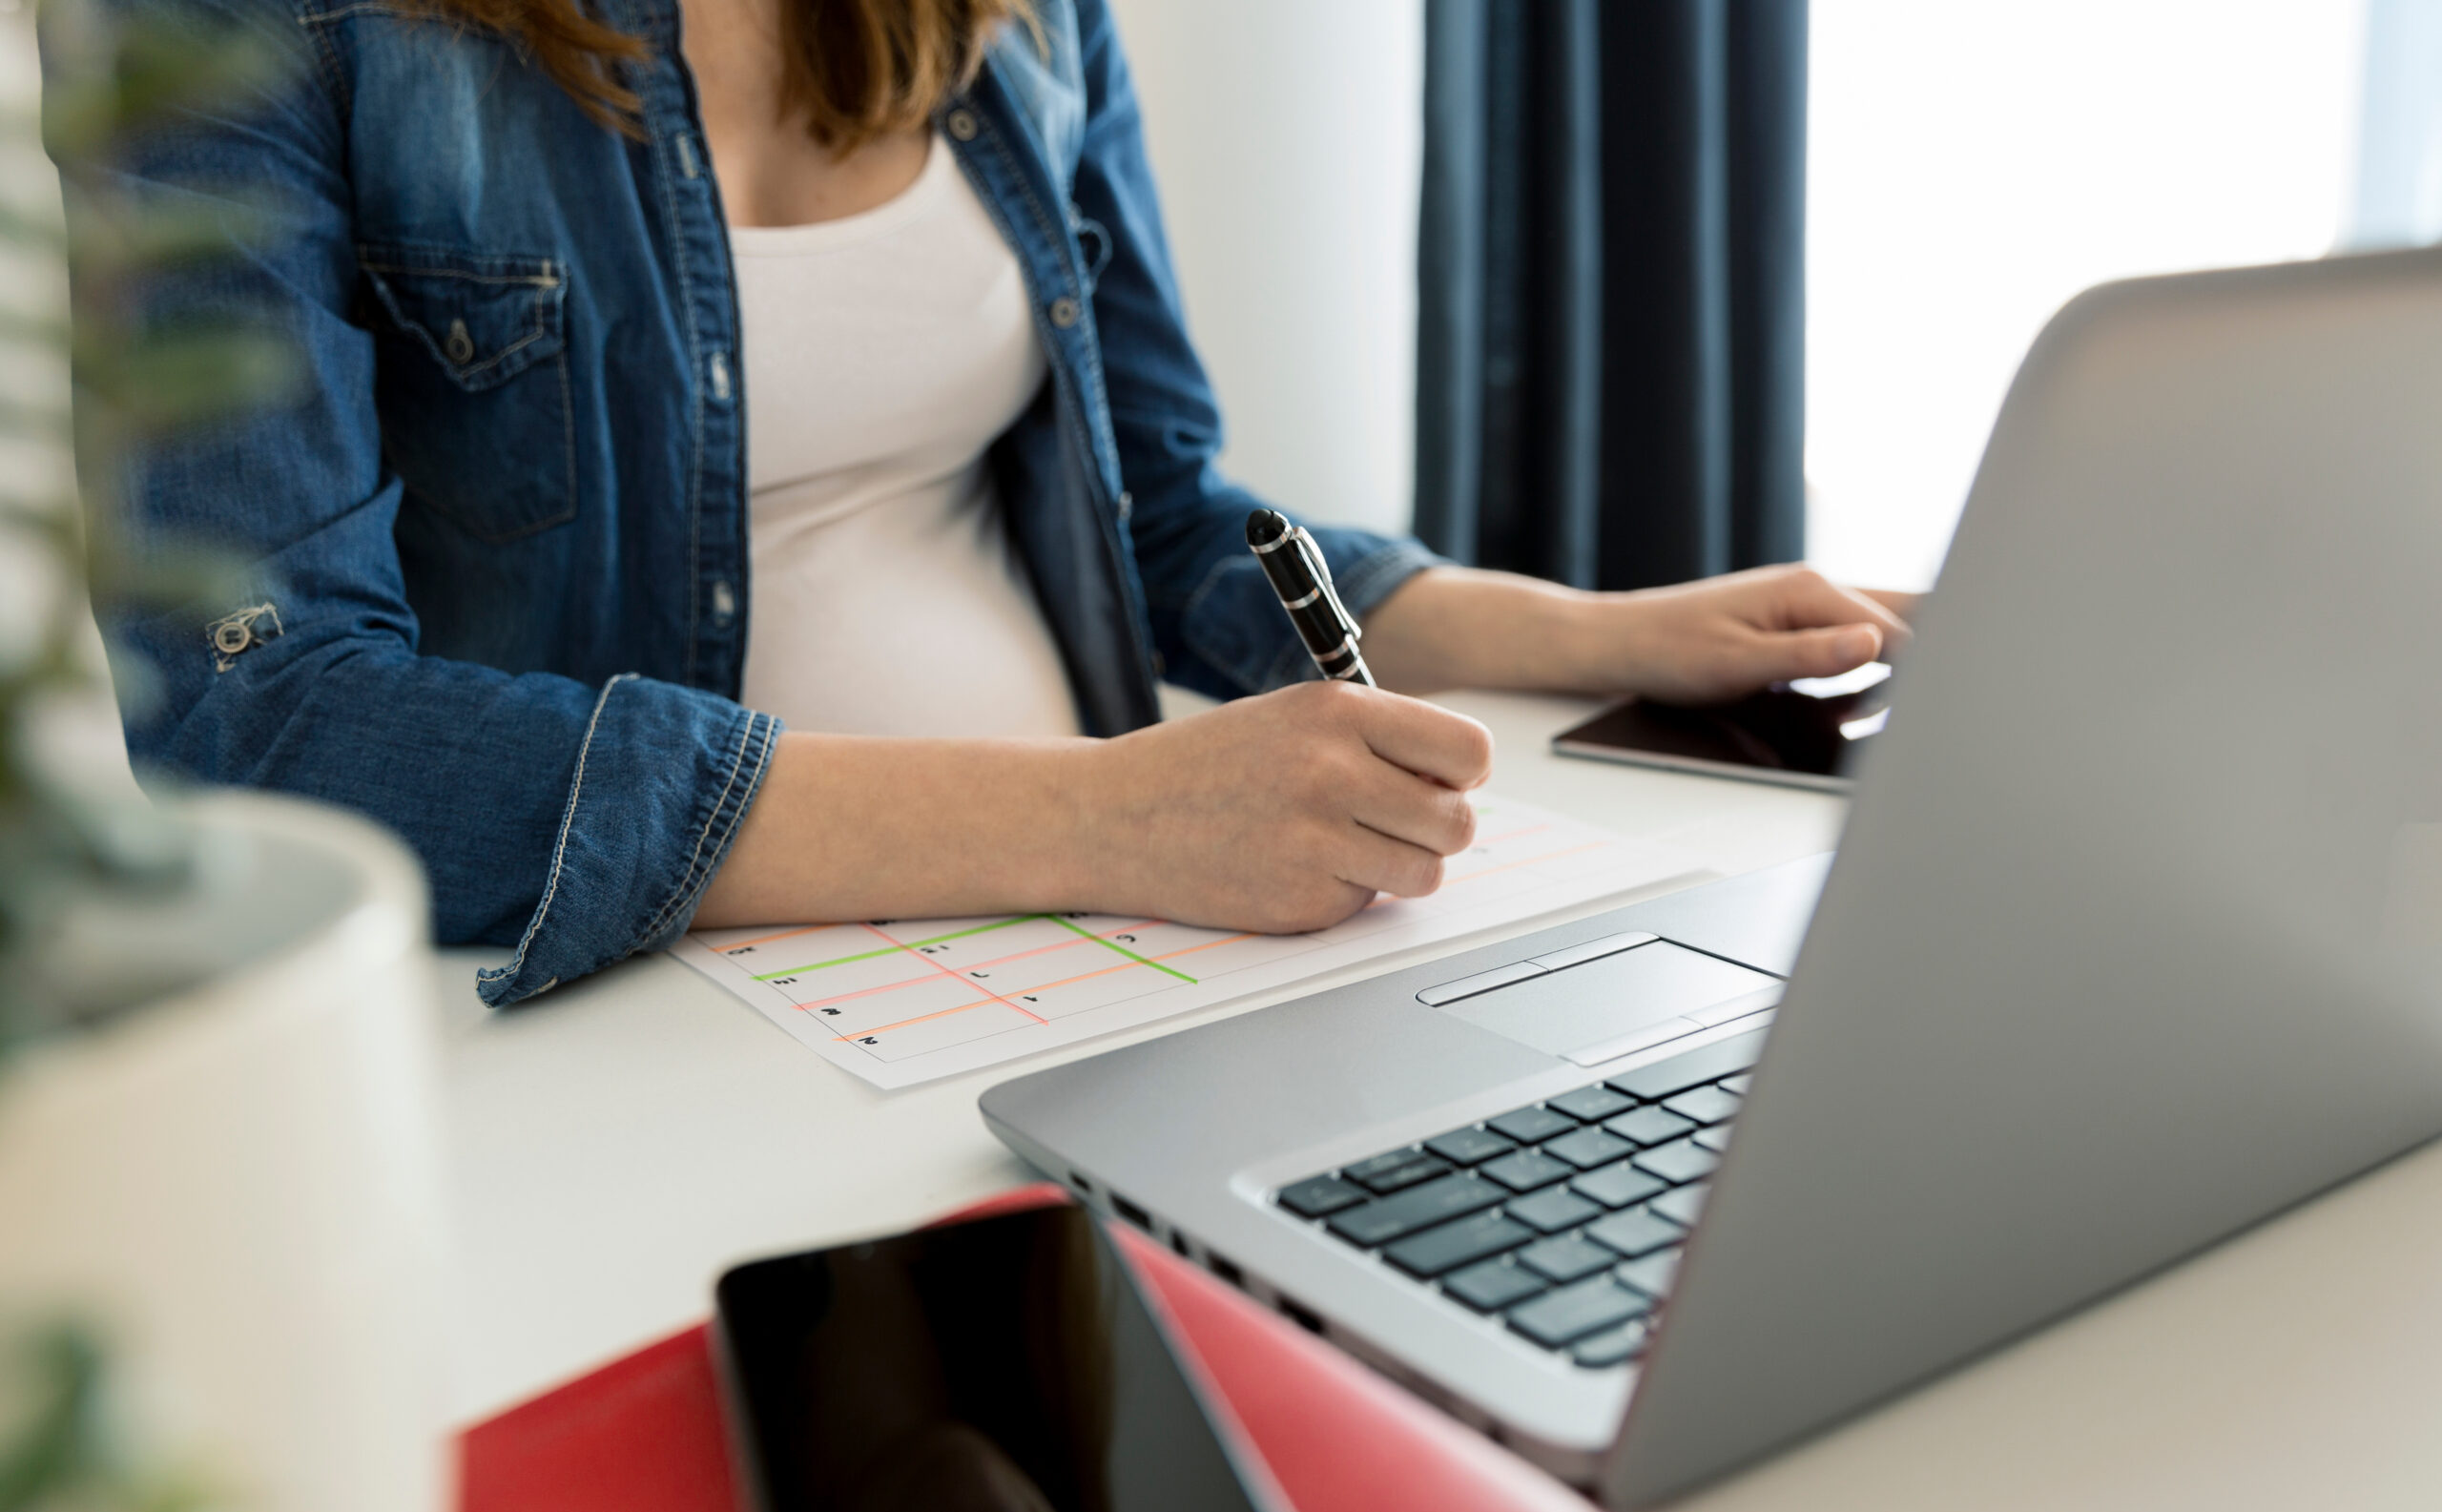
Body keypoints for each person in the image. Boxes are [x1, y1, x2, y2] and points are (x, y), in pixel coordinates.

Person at [60, 0, 1914, 1005]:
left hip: (1108, 949)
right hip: (694, 1000)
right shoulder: (252, 29)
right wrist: (1094, 816)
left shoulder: (1018, 19)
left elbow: (1161, 508)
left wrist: (1588, 631)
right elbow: (264, 713)